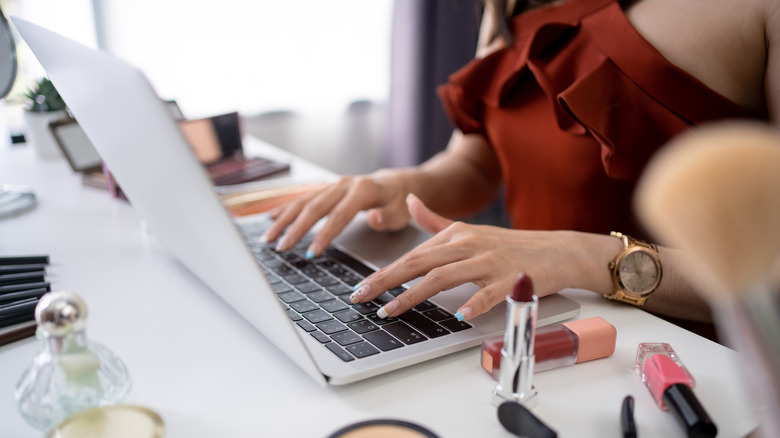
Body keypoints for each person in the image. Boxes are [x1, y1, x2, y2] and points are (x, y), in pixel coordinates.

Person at [260, 0, 779, 328]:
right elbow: (479, 160)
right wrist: (403, 184)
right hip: (533, 324)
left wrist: (582, 256)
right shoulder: (509, 7)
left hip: (691, 356)